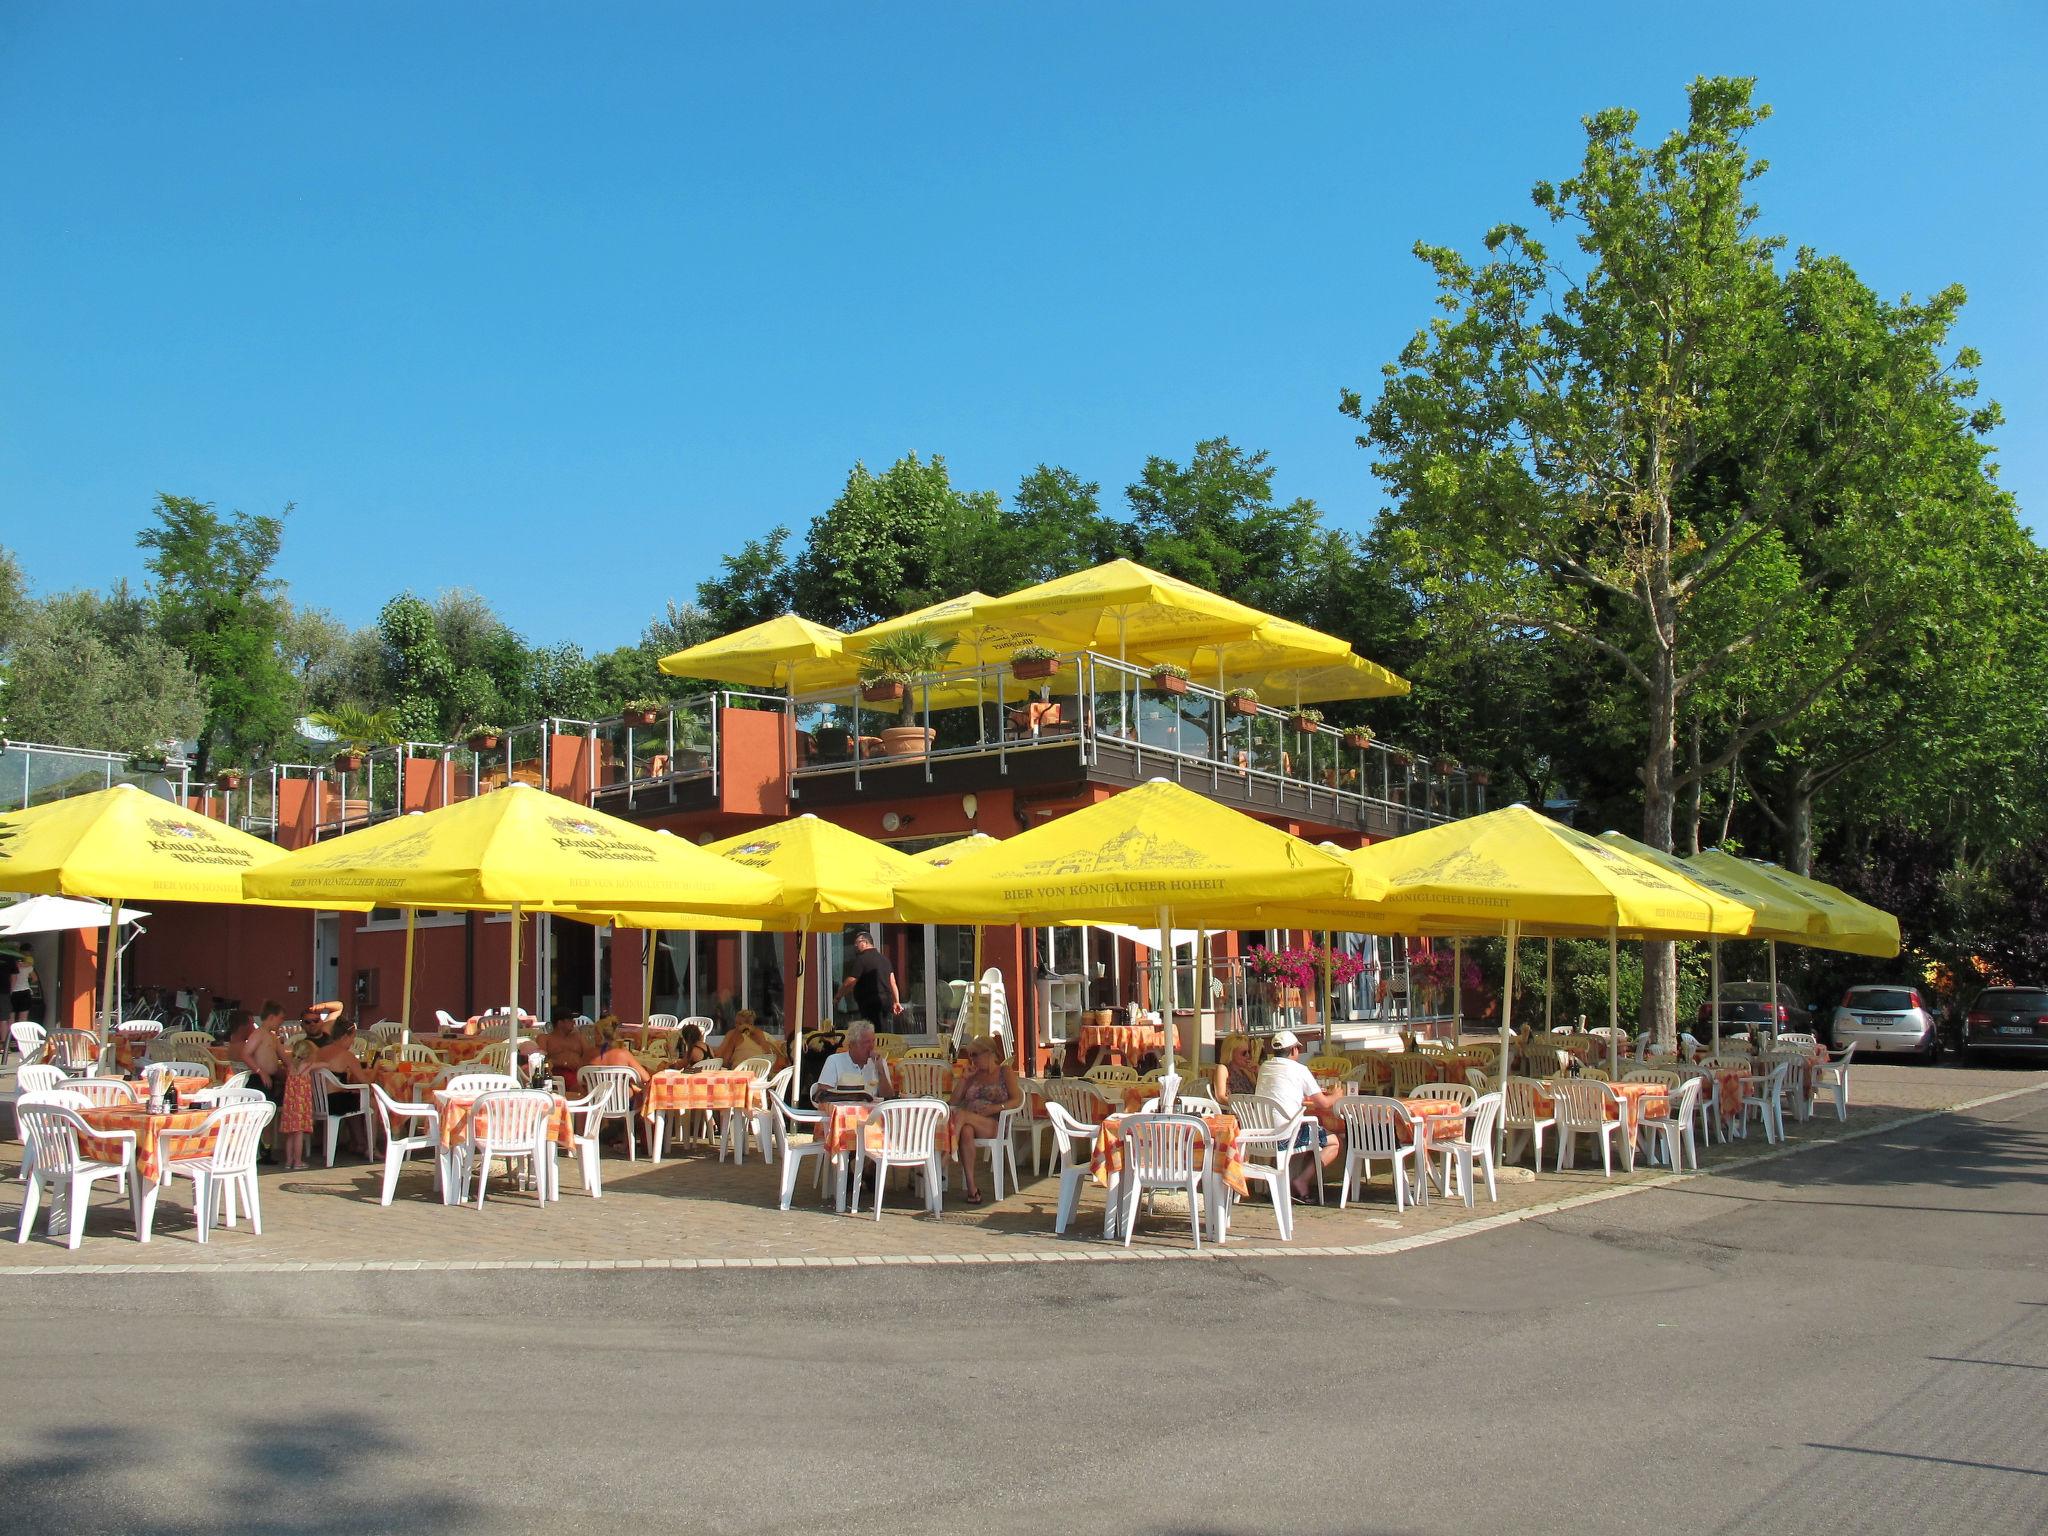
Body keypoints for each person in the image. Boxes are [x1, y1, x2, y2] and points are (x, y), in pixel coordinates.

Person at [1253, 1030, 1343, 1199]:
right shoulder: (1300, 1069)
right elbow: (1323, 1103)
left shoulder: (1265, 1067)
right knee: (1334, 1142)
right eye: (1298, 1049)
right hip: (1287, 1135)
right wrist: (1337, 1095)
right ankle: (1301, 1180)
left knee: (1306, 1130)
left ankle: (1287, 1185)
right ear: (1294, 1050)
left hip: (1261, 1134)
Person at [947, 1035, 1022, 1203]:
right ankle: (972, 1188)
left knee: (961, 1115)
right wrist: (964, 1079)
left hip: (995, 1123)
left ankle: (947, 1153)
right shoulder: (973, 1074)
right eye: (970, 1055)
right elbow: (953, 1101)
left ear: (988, 1053)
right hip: (972, 1122)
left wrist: (996, 1108)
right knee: (966, 1130)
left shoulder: (1004, 1072)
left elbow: (1016, 1099)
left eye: (975, 1055)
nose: (972, 1059)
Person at [835, 932, 902, 1027]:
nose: (855, 946)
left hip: (870, 1003)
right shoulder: (884, 959)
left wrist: (838, 996)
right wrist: (896, 1001)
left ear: (864, 942)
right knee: (882, 1030)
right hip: (885, 1002)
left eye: (857, 943)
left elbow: (851, 981)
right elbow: (893, 982)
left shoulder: (862, 959)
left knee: (870, 1032)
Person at [817, 1020, 895, 1099]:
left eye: (873, 1041)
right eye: (866, 1042)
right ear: (852, 1045)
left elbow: (888, 1097)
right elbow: (822, 1094)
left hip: (872, 1110)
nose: (871, 1046)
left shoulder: (879, 1062)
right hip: (843, 1109)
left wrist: (881, 1071)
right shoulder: (834, 1061)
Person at [538, 1010, 591, 1083]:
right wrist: (562, 1063)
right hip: (558, 1074)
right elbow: (541, 1059)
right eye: (570, 1020)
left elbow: (589, 1054)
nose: (574, 1023)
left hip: (580, 1072)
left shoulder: (578, 1037)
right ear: (560, 1023)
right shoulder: (545, 1038)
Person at [1211, 1033, 1259, 1105]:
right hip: (1232, 1110)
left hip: (1250, 1111)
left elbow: (1259, 1092)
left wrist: (1257, 1072)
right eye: (1244, 1053)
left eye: (1249, 1052)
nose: (1248, 1056)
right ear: (1231, 1053)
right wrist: (1241, 1106)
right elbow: (1220, 1097)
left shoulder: (1245, 1071)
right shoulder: (1223, 1069)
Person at [8, 950, 36, 1026]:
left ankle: (10, 1036)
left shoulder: (10, 966)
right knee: (23, 1019)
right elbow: (34, 978)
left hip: (12, 992)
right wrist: (28, 982)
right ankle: (21, 1036)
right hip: (25, 992)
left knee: (11, 1018)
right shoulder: (29, 966)